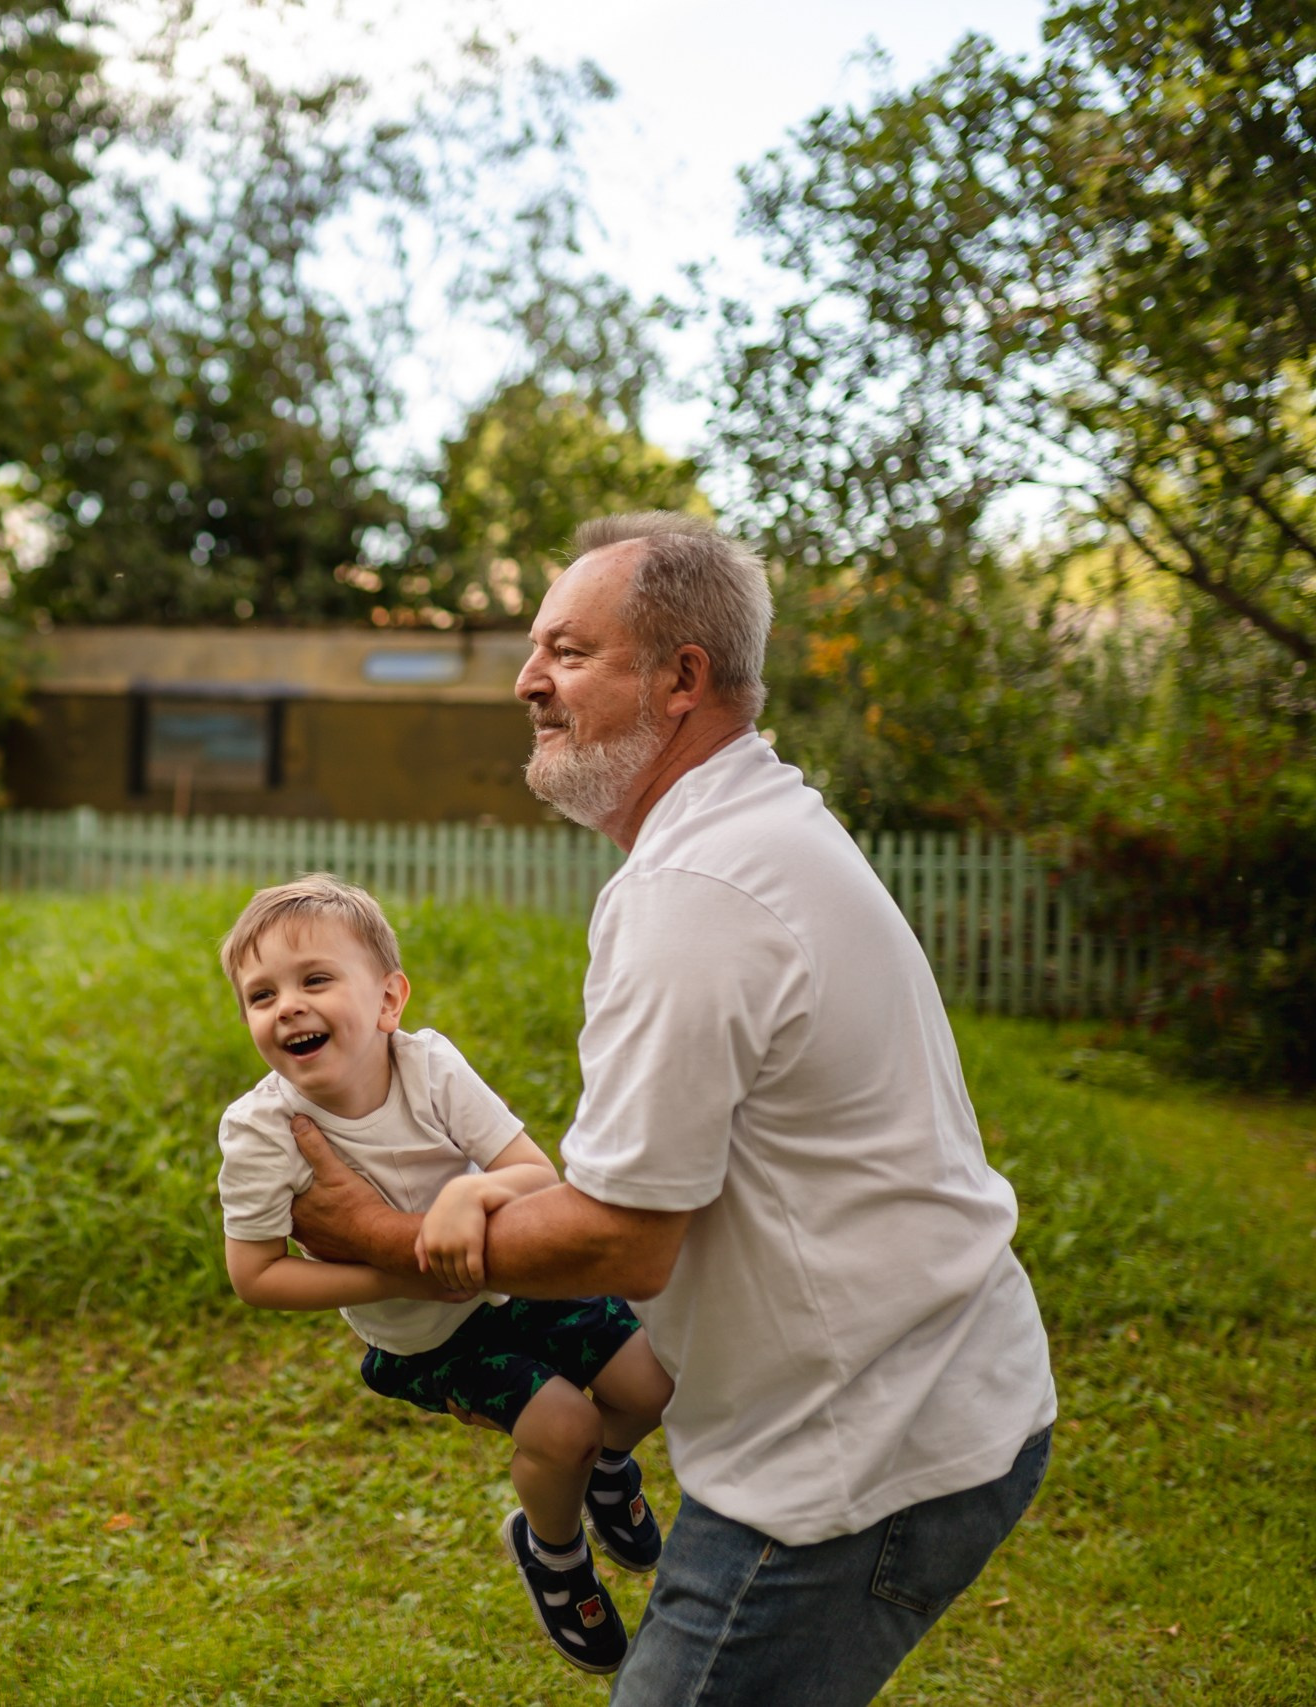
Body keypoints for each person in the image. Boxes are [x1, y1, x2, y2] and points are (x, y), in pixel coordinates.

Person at [287, 512, 1056, 1702]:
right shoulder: (757, 827)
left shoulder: (695, 887)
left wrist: (381, 1241)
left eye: (567, 652)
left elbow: (618, 1239)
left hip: (856, 1457)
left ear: (680, 677)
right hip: (932, 1386)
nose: (526, 682)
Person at [215, 874, 674, 1674]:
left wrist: (472, 1190)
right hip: (427, 1338)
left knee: (647, 1384)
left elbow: (533, 1172)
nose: (285, 1004)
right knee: (561, 1427)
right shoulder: (263, 1131)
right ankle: (554, 1553)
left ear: (389, 999)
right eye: (261, 994)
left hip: (516, 1280)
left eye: (314, 979)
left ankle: (609, 1469)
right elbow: (257, 1275)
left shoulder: (428, 1066)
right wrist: (396, 1280)